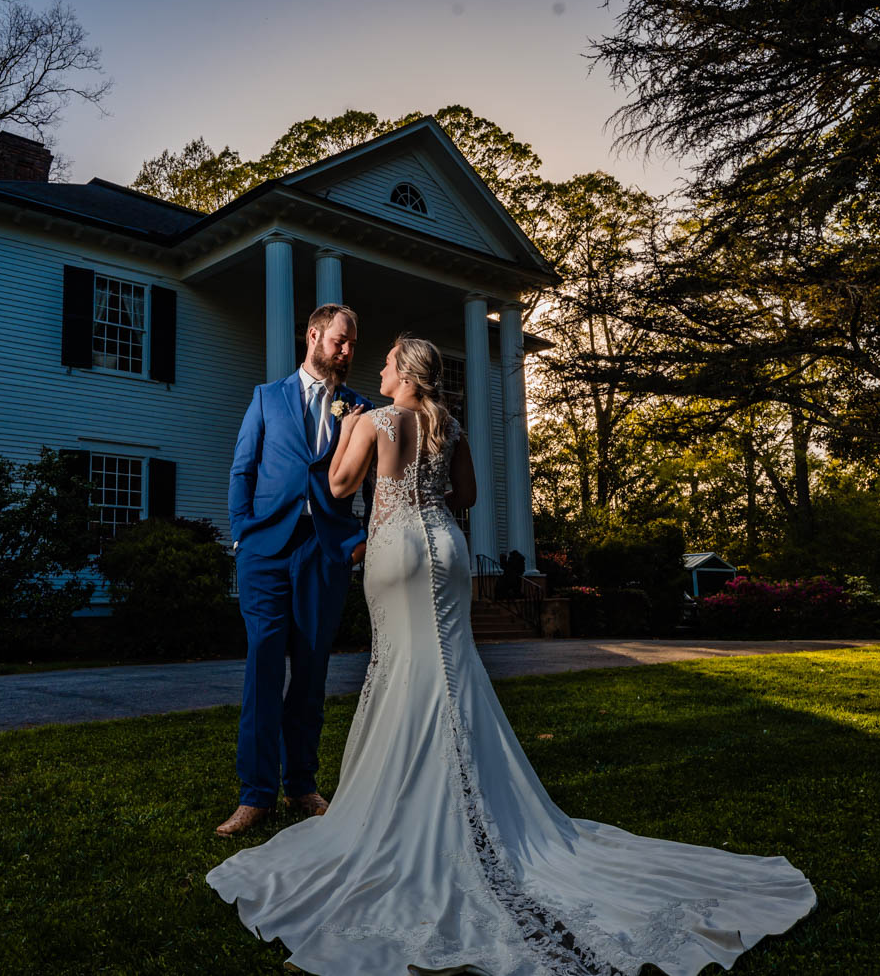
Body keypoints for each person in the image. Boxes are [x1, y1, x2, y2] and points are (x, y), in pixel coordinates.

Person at [207, 334, 816, 975]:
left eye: (386, 362)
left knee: (406, 668)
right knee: (452, 666)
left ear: (404, 376)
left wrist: (350, 432)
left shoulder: (375, 418)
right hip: (445, 547)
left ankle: (417, 801)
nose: (377, 368)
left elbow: (335, 486)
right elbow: (465, 498)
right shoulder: (450, 425)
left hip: (396, 551)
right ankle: (474, 790)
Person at [215, 304, 375, 838]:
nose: (347, 350)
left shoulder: (358, 406)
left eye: (351, 343)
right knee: (262, 668)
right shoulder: (266, 398)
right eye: (340, 340)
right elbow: (242, 469)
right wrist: (243, 535)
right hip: (265, 552)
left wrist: (360, 540)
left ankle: (301, 785)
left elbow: (377, 486)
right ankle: (254, 795)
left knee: (310, 673)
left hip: (324, 554)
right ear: (313, 335)